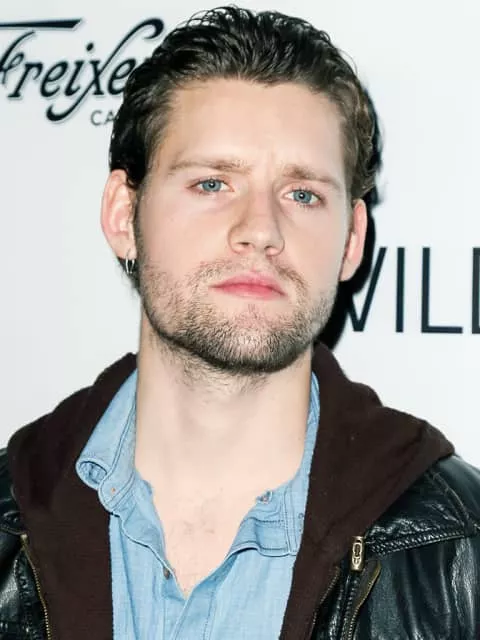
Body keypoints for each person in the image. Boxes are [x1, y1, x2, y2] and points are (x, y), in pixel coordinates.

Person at [2, 6, 479, 639]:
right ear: (123, 215)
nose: (260, 230)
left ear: (351, 240)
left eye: (302, 194)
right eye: (212, 184)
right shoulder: (10, 513)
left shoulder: (461, 548)